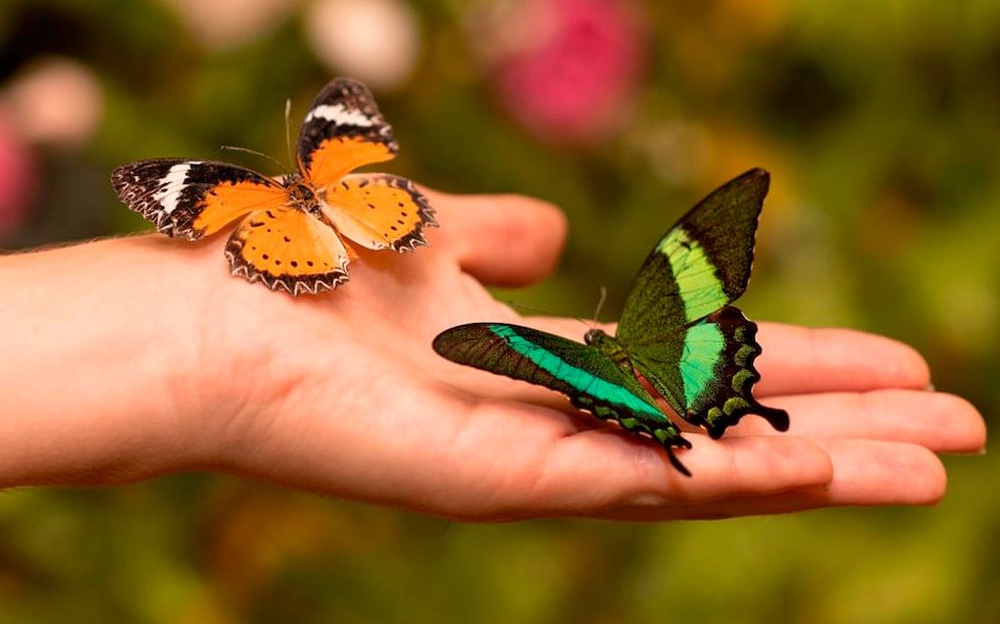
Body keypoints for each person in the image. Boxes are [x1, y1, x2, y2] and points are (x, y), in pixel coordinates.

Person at [0, 187, 984, 521]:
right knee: (674, 353)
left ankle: (674, 421)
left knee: (600, 373)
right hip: (676, 370)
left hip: (616, 388)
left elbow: (519, 352)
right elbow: (536, 346)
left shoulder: (540, 351)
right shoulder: (574, 338)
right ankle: (703, 409)